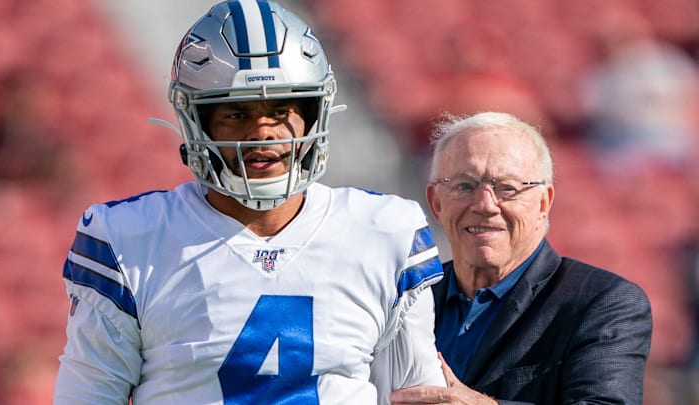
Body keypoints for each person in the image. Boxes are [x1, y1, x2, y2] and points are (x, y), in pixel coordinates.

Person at [53, 1, 446, 404]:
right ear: (197, 122)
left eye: (281, 109)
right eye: (237, 113)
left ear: (314, 113)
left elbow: (416, 397)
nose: (263, 131)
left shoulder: (384, 231)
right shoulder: (128, 239)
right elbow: (87, 397)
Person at [390, 111, 652, 405]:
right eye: (464, 185)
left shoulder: (602, 302)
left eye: (507, 188)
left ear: (544, 203)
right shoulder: (404, 298)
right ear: (436, 203)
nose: (485, 205)